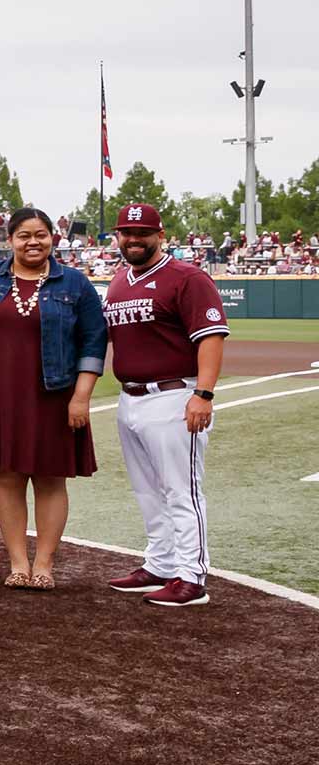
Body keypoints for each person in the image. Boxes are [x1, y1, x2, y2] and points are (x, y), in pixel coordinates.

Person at [0, 207, 106, 590]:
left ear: (52, 237)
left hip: (55, 393)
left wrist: (81, 397)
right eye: (24, 235)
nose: (33, 242)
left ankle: (44, 564)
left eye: (41, 234)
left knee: (50, 479)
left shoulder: (75, 284)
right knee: (7, 476)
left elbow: (94, 342)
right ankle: (17, 563)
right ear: (10, 239)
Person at [102, 201, 228, 607]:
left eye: (143, 233)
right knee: (147, 490)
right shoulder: (120, 280)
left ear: (161, 235)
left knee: (181, 491)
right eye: (127, 233)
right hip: (131, 398)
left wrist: (203, 393)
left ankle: (191, 576)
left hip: (174, 395)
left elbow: (210, 337)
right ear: (118, 237)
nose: (134, 239)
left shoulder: (186, 278)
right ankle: (160, 562)